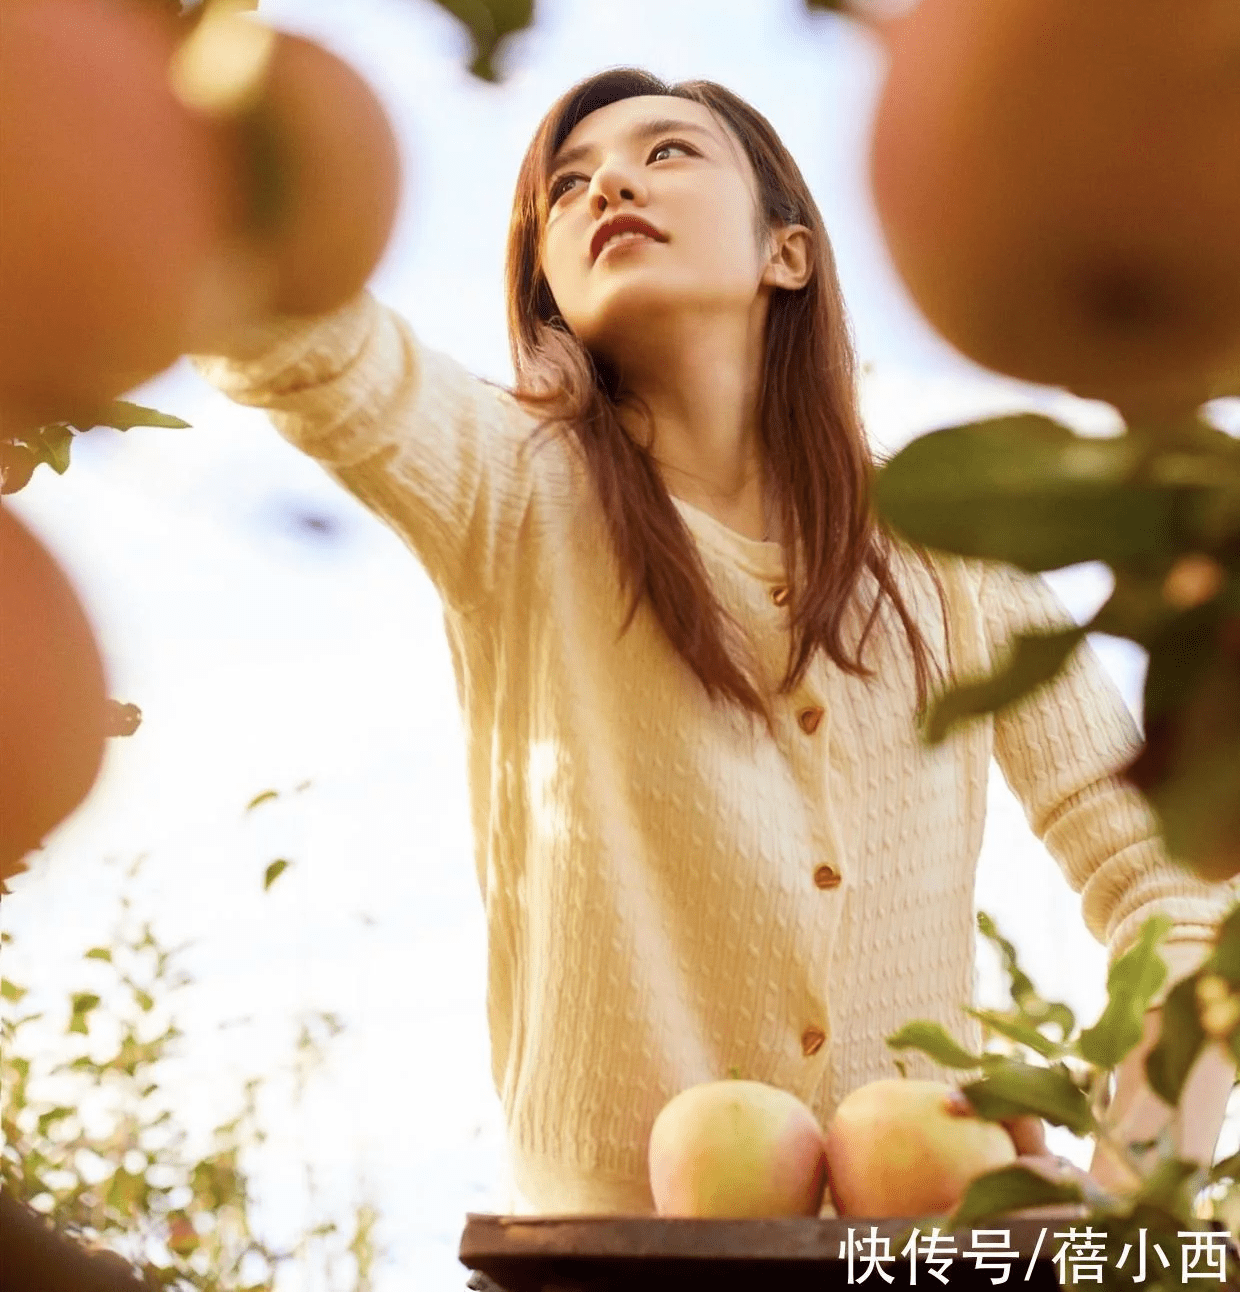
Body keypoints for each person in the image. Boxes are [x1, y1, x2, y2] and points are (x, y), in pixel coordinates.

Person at [192, 66, 1233, 1219]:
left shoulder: (955, 551)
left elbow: (1171, 878)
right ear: (546, 278)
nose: (609, 185)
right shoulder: (510, 486)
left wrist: (1135, 1182)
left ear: (785, 252)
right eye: (567, 185)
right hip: (596, 1265)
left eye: (668, 151)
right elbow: (307, 346)